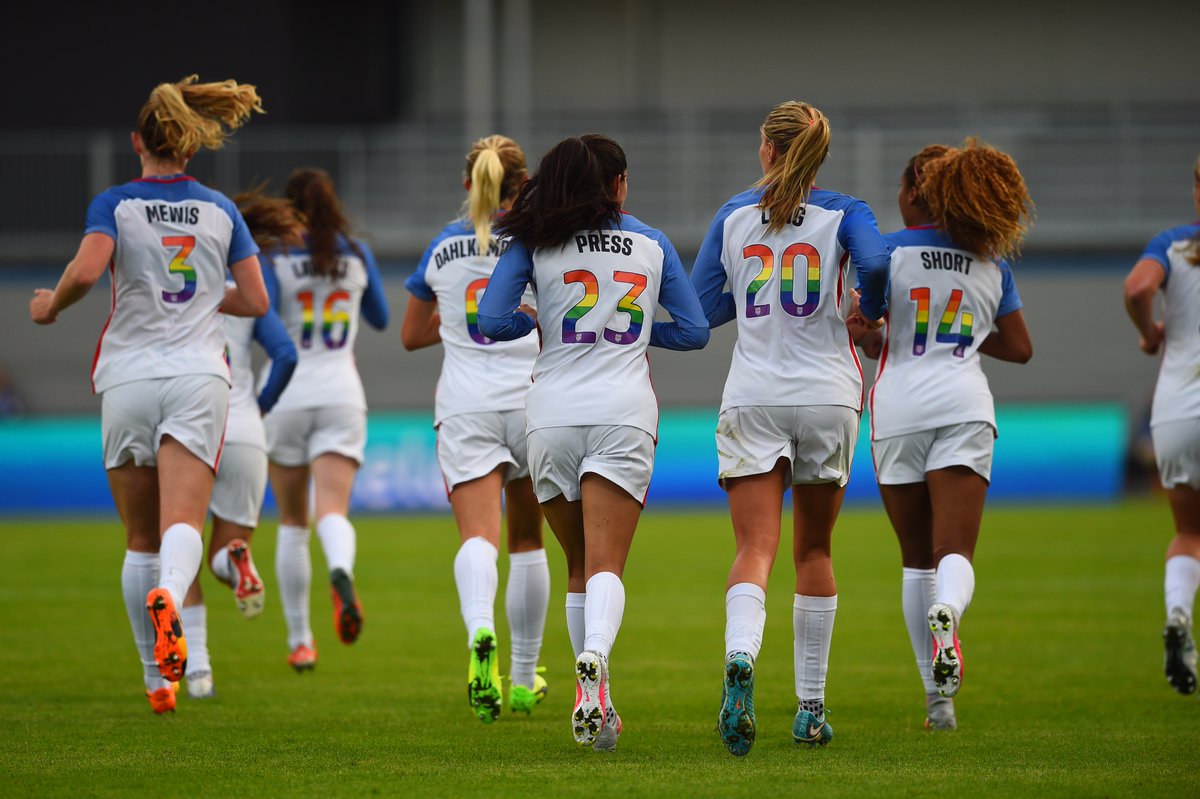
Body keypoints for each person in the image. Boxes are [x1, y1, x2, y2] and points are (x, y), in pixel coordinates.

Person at [28, 75, 267, 714]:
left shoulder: (115, 203)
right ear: (190, 148)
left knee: (139, 535)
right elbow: (257, 301)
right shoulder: (221, 210)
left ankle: (157, 681)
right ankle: (172, 594)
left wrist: (51, 305)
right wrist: (205, 293)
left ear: (138, 142)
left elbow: (85, 270)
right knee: (184, 521)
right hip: (197, 376)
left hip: (128, 377)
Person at [478, 134, 709, 750]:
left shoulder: (536, 240)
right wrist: (627, 336)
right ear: (616, 185)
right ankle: (596, 668)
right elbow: (694, 332)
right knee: (608, 565)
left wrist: (537, 319)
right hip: (622, 413)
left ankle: (598, 708)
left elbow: (489, 321)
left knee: (577, 564)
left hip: (551, 416)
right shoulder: (651, 242)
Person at [690, 100, 890, 756]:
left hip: (754, 394)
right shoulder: (848, 212)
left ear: (769, 150)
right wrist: (869, 310)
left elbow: (702, 307)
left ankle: (742, 657)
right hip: (829, 393)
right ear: (820, 155)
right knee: (815, 551)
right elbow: (877, 265)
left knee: (756, 548)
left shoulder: (732, 214)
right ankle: (809, 708)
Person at [861, 140, 1033, 731]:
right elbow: (1021, 348)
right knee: (953, 553)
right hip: (964, 402)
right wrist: (963, 330)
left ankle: (940, 708)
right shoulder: (992, 261)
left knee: (914, 560)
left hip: (900, 407)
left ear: (915, 194)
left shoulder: (885, 251)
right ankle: (948, 611)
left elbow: (868, 325)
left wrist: (876, 335)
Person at [401, 135, 550, 722]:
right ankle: (522, 678)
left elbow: (411, 334)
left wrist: (454, 314)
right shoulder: (540, 243)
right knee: (528, 541)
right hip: (532, 403)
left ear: (470, 185)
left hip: (466, 405)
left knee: (478, 539)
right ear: (525, 184)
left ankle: (480, 632)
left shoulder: (441, 248)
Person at [262, 168, 390, 671]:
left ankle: (301, 642)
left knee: (293, 523)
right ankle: (340, 567)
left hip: (287, 395)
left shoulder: (275, 258)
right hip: (341, 392)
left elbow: (262, 316)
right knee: (332, 510)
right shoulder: (356, 255)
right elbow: (378, 317)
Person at [179, 190, 301, 699]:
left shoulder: (179, 287)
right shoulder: (247, 296)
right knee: (224, 552)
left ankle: (199, 670)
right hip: (246, 425)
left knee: (178, 546)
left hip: (187, 422)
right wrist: (262, 405)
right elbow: (286, 353)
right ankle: (238, 564)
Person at [1123, 154, 1200, 698]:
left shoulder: (1173, 245)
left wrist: (1150, 333)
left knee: (1189, 533)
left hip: (1178, 409)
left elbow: (1135, 289)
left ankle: (1178, 615)